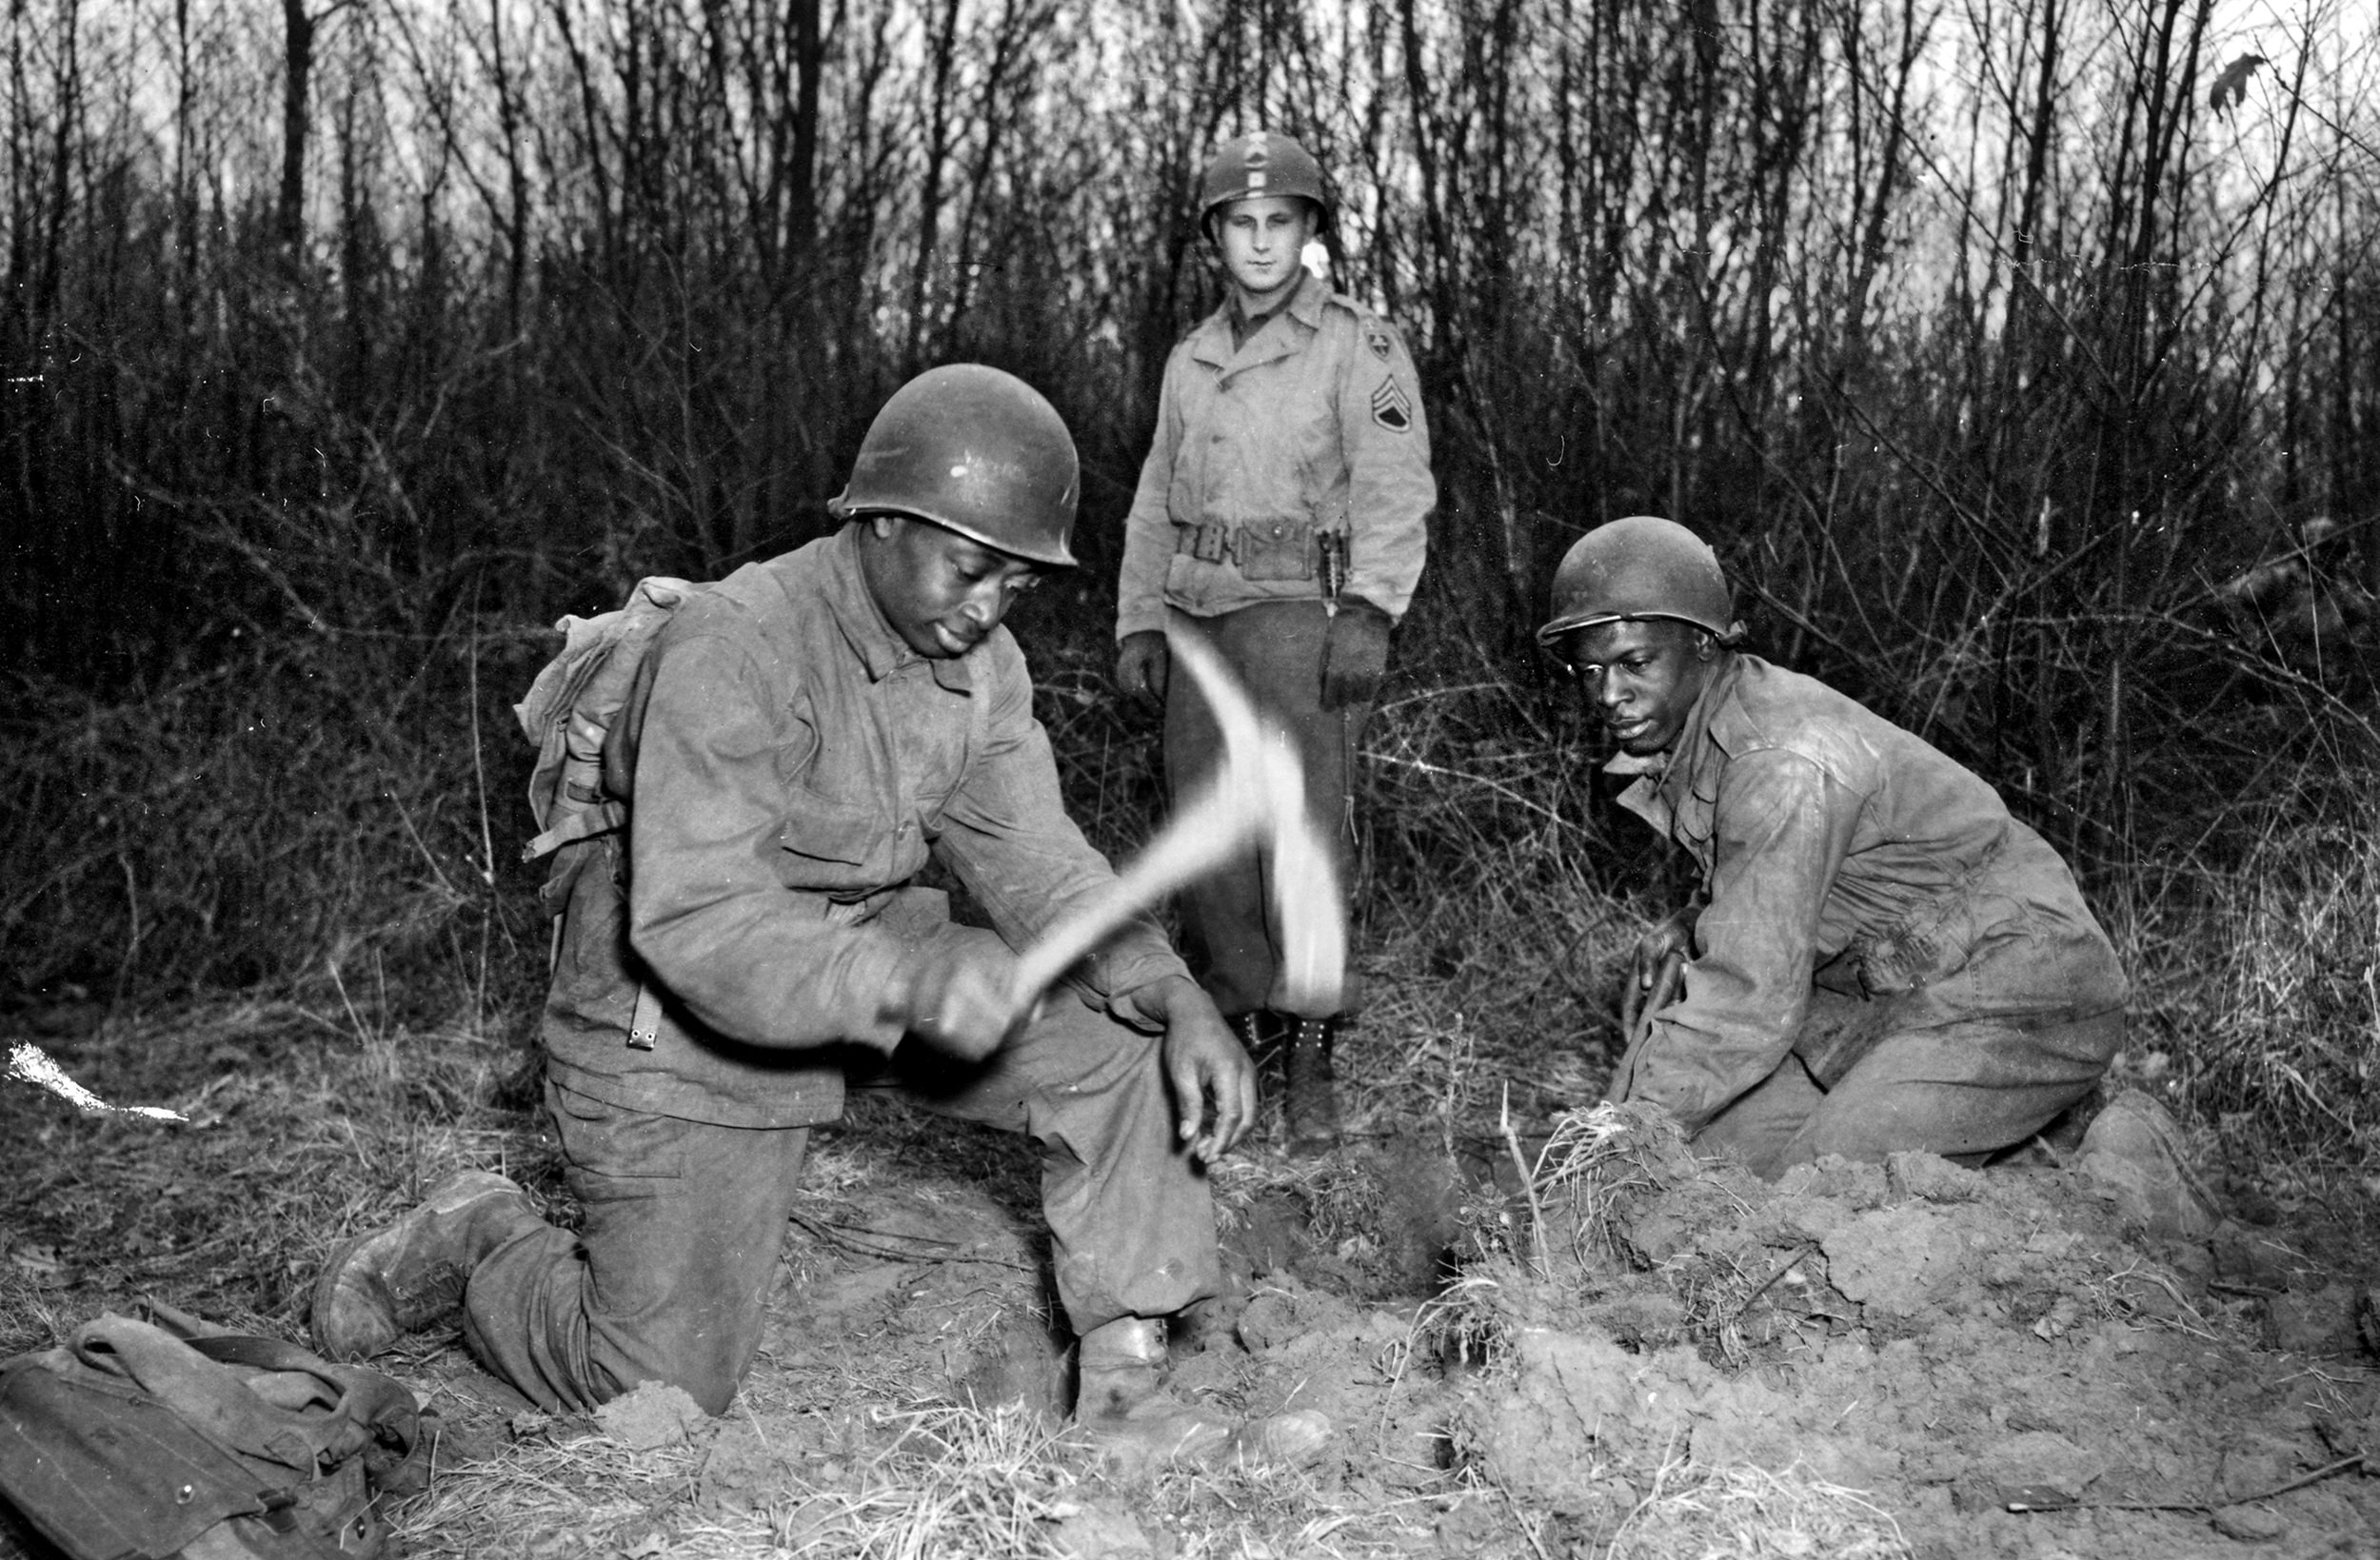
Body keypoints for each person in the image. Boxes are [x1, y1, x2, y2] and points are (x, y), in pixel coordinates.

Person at [313, 365, 1319, 1469]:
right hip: (670, 1004)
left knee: (1120, 1042)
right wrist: (908, 988)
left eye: (1016, 585)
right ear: (881, 522)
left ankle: (1126, 1395)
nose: (987, 606)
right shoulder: (736, 647)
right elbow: (699, 922)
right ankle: (479, 1242)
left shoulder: (983, 668)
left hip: (873, 959)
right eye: (969, 568)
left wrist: (1174, 996)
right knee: (657, 1384)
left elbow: (1039, 863)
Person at [1541, 516, 2127, 1179]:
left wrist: (1612, 1141)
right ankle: (2021, 1157)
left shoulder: (1783, 757)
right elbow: (1790, 890)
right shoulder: (1714, 726)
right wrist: (1696, 921)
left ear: (1704, 645)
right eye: (1590, 670)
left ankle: (2127, 1166)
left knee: (1816, 1199)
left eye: (1635, 663)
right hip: (1884, 991)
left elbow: (1746, 998)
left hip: (2020, 983)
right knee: (1698, 1180)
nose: (1610, 695)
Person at [1115, 129, 1436, 1153]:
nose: (1259, 242)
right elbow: (1152, 507)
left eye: (1280, 223)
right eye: (1240, 224)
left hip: (1302, 614)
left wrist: (1373, 611)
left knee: (1301, 833)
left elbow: (1394, 490)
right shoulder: (1189, 360)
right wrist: (1137, 619)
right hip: (1200, 616)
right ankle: (1240, 1026)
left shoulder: (1358, 344)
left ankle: (1311, 1047)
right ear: (1215, 236)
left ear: (1309, 234)